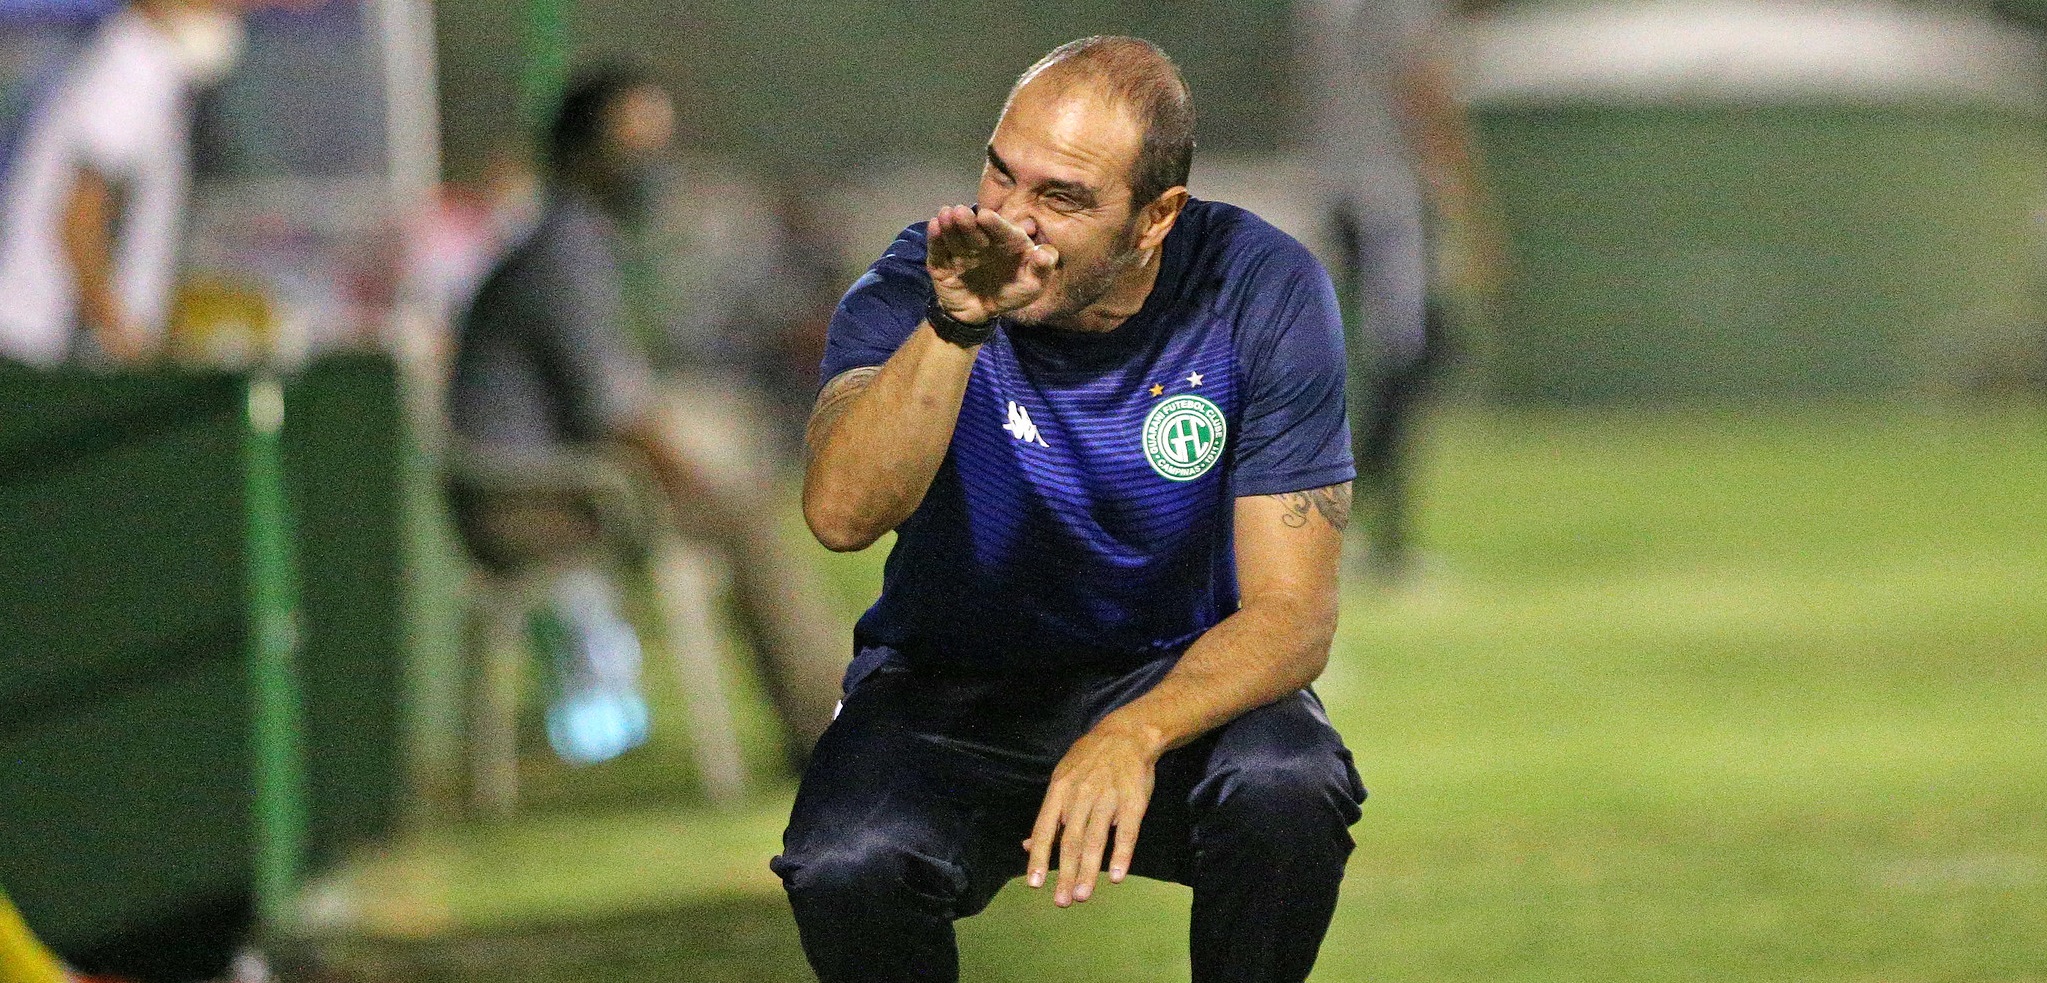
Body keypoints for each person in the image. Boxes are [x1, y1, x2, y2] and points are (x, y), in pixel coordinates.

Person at [773, 36, 1366, 983]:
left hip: (1169, 681)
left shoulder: (1258, 290)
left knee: (1285, 786)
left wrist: (1130, 732)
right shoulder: (913, 289)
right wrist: (956, 322)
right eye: (1000, 175)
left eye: (1060, 198)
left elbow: (1293, 616)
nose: (1011, 220)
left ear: (1154, 218)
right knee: (847, 862)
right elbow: (841, 515)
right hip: (947, 683)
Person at [445, 66, 844, 767]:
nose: (654, 164)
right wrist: (693, 481)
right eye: (634, 143)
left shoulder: (574, 245)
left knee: (737, 500)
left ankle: (828, 723)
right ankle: (827, 734)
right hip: (520, 501)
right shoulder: (564, 253)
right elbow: (613, 414)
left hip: (547, 486)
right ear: (576, 154)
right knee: (745, 516)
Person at [1298, 0, 1499, 582]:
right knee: (1413, 356)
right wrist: (1470, 211)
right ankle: (1350, 528)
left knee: (1404, 357)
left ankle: (1365, 530)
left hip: (1343, 189)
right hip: (1387, 196)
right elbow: (1424, 95)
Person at [0, 0, 244, 367]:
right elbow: (78, 221)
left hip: (59, 345)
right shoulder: (132, 72)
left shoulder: (154, 67)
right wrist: (120, 331)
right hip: (54, 351)